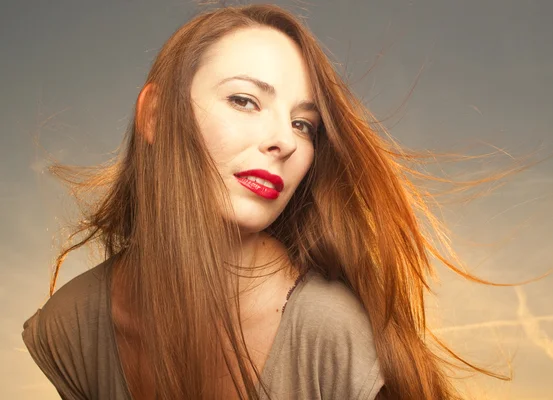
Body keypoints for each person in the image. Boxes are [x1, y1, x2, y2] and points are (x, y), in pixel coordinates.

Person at [22, 3, 509, 400]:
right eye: (245, 100)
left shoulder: (328, 331)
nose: (285, 140)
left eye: (304, 124)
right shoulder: (71, 325)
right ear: (154, 115)